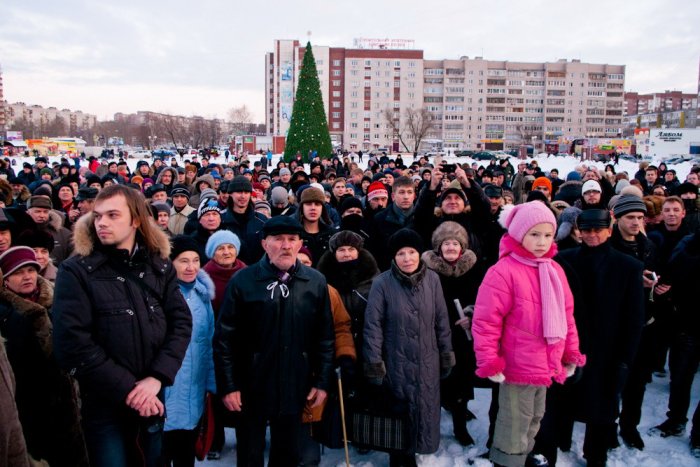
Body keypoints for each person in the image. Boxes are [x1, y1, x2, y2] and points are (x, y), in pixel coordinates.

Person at [53, 184, 193, 467]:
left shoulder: (159, 265)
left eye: (113, 215)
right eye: (99, 215)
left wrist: (156, 379)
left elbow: (180, 323)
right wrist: (131, 390)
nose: (102, 222)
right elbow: (72, 344)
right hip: (105, 405)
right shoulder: (76, 270)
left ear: (136, 220)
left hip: (153, 397)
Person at [214, 216, 335, 466]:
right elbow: (225, 339)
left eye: (292, 239)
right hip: (251, 384)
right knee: (249, 454)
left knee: (288, 454)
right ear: (264, 244)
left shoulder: (315, 282)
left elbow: (324, 337)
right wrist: (229, 386)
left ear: (300, 243)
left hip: (295, 383)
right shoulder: (243, 281)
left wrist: (322, 381)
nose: (286, 245)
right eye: (278, 239)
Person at [472, 202, 585, 467]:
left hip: (546, 364)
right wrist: (489, 360)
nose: (542, 242)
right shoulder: (503, 271)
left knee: (535, 417)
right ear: (519, 234)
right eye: (534, 234)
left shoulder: (554, 269)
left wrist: (571, 353)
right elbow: (486, 322)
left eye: (547, 234)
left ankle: (524, 457)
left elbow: (567, 316)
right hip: (516, 364)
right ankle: (506, 462)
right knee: (513, 422)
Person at [557, 209, 644, 466]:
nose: (592, 235)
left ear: (609, 229)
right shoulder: (564, 259)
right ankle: (562, 439)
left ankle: (595, 454)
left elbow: (634, 318)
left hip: (609, 348)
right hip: (570, 343)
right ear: (578, 231)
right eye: (587, 230)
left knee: (602, 404)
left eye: (597, 230)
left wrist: (626, 358)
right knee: (566, 397)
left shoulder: (628, 266)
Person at [363, 228, 455, 467]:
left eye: (412, 252)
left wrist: (446, 353)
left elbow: (441, 320)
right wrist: (374, 363)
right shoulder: (381, 283)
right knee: (399, 415)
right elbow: (373, 326)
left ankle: (416, 451)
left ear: (420, 253)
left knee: (424, 411)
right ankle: (400, 456)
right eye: (401, 253)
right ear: (393, 257)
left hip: (427, 361)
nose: (407, 258)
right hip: (395, 363)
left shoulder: (433, 280)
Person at [422, 221, 485, 447]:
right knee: (434, 381)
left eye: (455, 243)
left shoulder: (474, 269)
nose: (450, 247)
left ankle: (460, 425)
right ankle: (430, 426)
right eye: (446, 243)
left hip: (462, 335)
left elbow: (484, 298)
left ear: (462, 247)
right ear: (438, 248)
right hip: (433, 335)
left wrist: (472, 315)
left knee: (461, 381)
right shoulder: (426, 270)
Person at [162, 236, 217, 467]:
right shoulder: (161, 294)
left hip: (195, 385)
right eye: (184, 261)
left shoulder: (203, 295)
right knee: (162, 453)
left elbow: (209, 341)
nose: (191, 267)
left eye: (195, 260)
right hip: (166, 387)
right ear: (170, 263)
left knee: (187, 455)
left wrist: (211, 383)